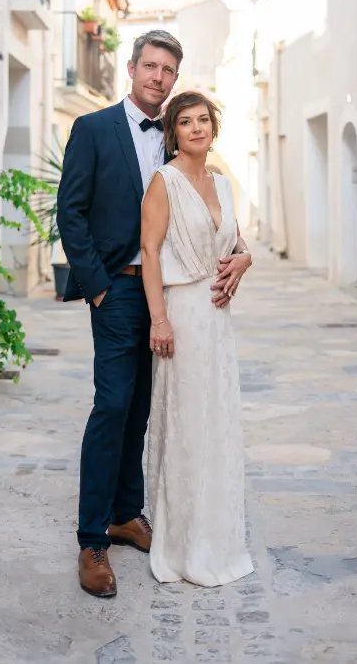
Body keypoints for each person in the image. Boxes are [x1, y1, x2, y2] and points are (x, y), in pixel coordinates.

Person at [56, 29, 184, 598]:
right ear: (131, 69)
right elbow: (71, 210)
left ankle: (126, 513)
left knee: (141, 408)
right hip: (117, 290)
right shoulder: (92, 129)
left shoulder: (178, 138)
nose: (158, 78)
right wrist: (98, 288)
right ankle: (91, 538)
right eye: (150, 67)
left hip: (167, 294)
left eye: (168, 71)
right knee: (110, 406)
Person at [141, 91, 254, 587]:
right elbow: (148, 251)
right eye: (184, 121)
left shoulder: (224, 185)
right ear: (174, 133)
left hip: (218, 322)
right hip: (182, 315)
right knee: (186, 428)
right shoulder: (164, 181)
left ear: (213, 126)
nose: (195, 128)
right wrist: (159, 321)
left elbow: (234, 242)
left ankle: (218, 539)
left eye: (203, 119)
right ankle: (183, 545)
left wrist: (246, 260)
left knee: (217, 424)